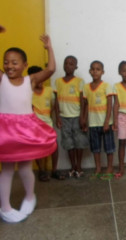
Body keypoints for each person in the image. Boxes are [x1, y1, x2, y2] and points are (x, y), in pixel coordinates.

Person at [0, 33, 57, 223]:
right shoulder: (2, 80)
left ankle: (30, 197)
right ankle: (5, 208)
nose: (9, 66)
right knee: (7, 170)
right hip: (6, 132)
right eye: (6, 62)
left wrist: (49, 48)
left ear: (25, 65)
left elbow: (51, 69)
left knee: (25, 168)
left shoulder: (29, 80)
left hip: (24, 131)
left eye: (15, 62)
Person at [54, 55, 88, 178]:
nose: (68, 66)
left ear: (75, 67)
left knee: (79, 141)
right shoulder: (57, 82)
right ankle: (73, 166)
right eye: (66, 63)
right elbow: (56, 101)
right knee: (68, 143)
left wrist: (83, 118)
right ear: (63, 65)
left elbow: (83, 101)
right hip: (64, 117)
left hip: (77, 116)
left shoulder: (79, 81)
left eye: (71, 64)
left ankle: (79, 166)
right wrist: (57, 117)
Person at [30, 66, 65, 182]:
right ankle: (41, 170)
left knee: (54, 145)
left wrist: (57, 118)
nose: (40, 81)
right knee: (38, 148)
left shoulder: (49, 90)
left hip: (48, 124)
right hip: (34, 126)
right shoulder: (28, 93)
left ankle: (54, 170)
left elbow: (55, 104)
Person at [82, 61, 115, 180]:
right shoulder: (86, 87)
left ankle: (109, 168)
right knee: (95, 148)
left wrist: (107, 121)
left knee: (109, 148)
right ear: (90, 71)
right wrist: (84, 120)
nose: (95, 71)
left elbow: (110, 105)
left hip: (105, 123)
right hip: (92, 123)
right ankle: (98, 168)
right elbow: (85, 105)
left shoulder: (106, 86)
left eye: (98, 69)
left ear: (102, 72)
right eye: (93, 69)